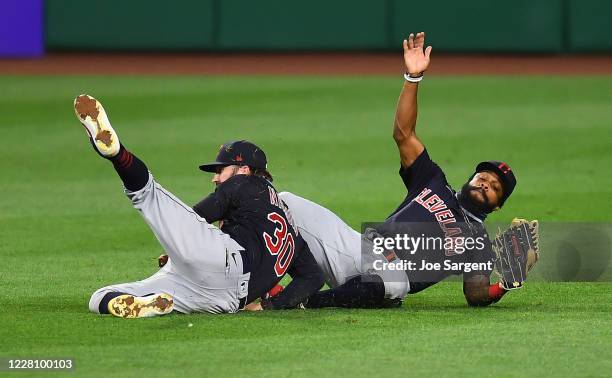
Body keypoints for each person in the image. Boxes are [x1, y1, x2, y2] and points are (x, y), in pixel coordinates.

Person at [271, 32, 518, 308]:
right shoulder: (433, 180)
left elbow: (476, 294)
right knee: (283, 203)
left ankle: (305, 301)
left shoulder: (479, 243)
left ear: (498, 206)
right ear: (471, 178)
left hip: (392, 277)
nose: (486, 184)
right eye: (484, 177)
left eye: (496, 188)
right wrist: (413, 78)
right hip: (359, 249)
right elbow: (403, 133)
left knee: (393, 281)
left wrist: (505, 283)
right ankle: (248, 275)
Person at [75, 94, 323, 318]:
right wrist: (272, 306)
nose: (215, 178)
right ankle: (146, 306)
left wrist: (179, 242)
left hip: (223, 258)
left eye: (220, 170)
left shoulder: (245, 184)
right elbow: (313, 277)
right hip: (225, 299)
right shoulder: (291, 227)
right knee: (101, 297)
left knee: (148, 194)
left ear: (244, 170)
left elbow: (197, 217)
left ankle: (118, 154)